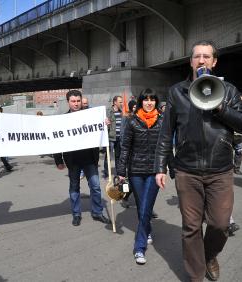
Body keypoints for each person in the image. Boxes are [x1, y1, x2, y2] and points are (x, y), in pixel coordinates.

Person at [155, 40, 242, 281]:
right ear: (190, 61)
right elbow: (166, 133)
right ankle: (196, 275)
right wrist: (160, 167)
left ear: (214, 62)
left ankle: (208, 255)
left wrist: (221, 108)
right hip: (187, 171)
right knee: (191, 227)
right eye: (197, 56)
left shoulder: (228, 90)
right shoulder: (177, 91)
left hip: (220, 170)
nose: (201, 60)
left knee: (220, 225)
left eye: (206, 57)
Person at [116, 89, 162, 265]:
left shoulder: (162, 120)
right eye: (146, 100)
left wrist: (171, 168)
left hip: (154, 172)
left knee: (145, 207)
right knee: (143, 207)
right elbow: (125, 147)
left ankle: (139, 247)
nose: (149, 103)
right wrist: (121, 171)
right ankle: (147, 229)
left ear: (156, 102)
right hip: (135, 171)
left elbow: (165, 146)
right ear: (141, 102)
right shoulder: (132, 121)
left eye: (152, 100)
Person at [53, 90, 110, 226]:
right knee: (74, 187)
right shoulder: (62, 120)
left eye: (78, 101)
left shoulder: (92, 116)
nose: (76, 104)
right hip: (72, 160)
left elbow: (100, 131)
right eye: (73, 101)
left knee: (95, 186)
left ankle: (97, 212)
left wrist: (105, 125)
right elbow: (56, 140)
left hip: (90, 158)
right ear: (68, 102)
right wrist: (58, 160)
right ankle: (76, 214)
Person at [103, 95, 123, 178]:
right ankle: (107, 172)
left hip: (120, 137)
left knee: (118, 156)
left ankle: (119, 172)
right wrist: (105, 123)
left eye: (122, 102)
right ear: (115, 102)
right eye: (120, 102)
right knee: (108, 156)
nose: (121, 103)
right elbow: (104, 124)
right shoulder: (108, 111)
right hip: (111, 137)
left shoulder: (122, 111)